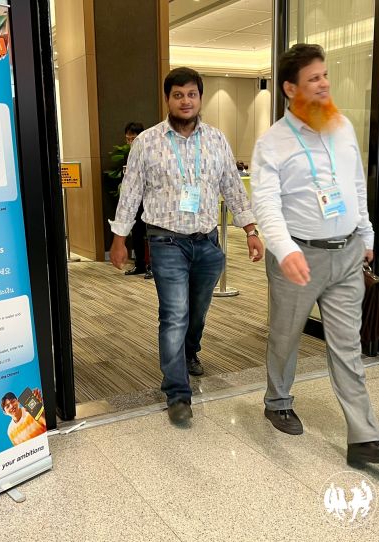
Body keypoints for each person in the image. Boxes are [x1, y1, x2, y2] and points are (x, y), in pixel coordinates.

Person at [250, 44, 379, 467]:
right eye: (313, 78)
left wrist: (366, 233)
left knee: (347, 346)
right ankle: (277, 400)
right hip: (298, 257)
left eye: (324, 75)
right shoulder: (273, 143)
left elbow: (355, 185)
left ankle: (364, 437)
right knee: (285, 337)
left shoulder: (341, 126)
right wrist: (285, 250)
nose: (324, 84)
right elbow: (266, 204)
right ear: (290, 88)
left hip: (347, 254)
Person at [110, 67, 264, 425]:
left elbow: (232, 187)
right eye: (178, 95)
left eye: (191, 94)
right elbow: (130, 192)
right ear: (168, 99)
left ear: (200, 98)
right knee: (174, 314)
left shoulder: (216, 140)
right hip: (166, 241)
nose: (185, 101)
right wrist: (119, 239)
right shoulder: (147, 142)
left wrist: (250, 229)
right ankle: (177, 393)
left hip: (207, 242)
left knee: (197, 311)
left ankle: (190, 351)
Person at [122, 122, 153, 279]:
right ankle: (139, 264)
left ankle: (153, 267)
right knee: (136, 233)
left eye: (132, 139)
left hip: (150, 201)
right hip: (136, 201)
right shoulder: (129, 155)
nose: (130, 142)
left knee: (151, 234)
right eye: (127, 139)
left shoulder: (151, 152)